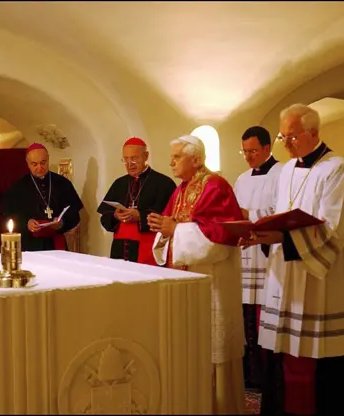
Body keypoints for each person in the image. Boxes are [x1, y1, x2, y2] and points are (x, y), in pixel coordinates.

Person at [240, 104, 344, 415]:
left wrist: (284, 238)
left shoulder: (337, 170)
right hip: (285, 273)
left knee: (318, 358)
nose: (287, 144)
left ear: (314, 133)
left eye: (292, 136)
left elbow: (332, 229)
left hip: (321, 282)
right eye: (284, 137)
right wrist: (263, 234)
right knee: (283, 354)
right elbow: (283, 216)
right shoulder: (288, 170)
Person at [149, 135, 246, 414]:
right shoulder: (181, 190)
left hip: (213, 280)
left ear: (197, 159)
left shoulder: (216, 186)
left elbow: (221, 238)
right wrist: (164, 230)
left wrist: (174, 231)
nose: (171, 163)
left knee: (213, 351)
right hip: (187, 281)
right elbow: (170, 229)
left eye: (176, 157)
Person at [233, 126, 282, 391]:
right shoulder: (242, 178)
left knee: (264, 314)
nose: (248, 156)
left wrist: (249, 213)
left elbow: (282, 213)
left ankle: (266, 373)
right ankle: (248, 371)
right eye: (245, 151)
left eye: (252, 151)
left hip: (267, 255)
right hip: (245, 253)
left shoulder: (282, 173)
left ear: (267, 148)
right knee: (245, 315)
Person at [97, 137, 176, 265]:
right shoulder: (119, 183)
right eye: (126, 159)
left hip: (148, 248)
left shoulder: (164, 183)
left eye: (134, 158)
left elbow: (169, 218)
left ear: (146, 156)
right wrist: (115, 215)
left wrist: (140, 216)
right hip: (120, 248)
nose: (130, 164)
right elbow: (104, 216)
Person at [2, 143, 84, 251]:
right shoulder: (18, 187)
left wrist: (62, 223)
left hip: (56, 243)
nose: (39, 167)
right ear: (27, 163)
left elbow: (74, 213)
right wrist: (26, 223)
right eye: (34, 164)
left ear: (48, 159)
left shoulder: (63, 183)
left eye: (43, 163)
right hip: (29, 245)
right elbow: (8, 215)